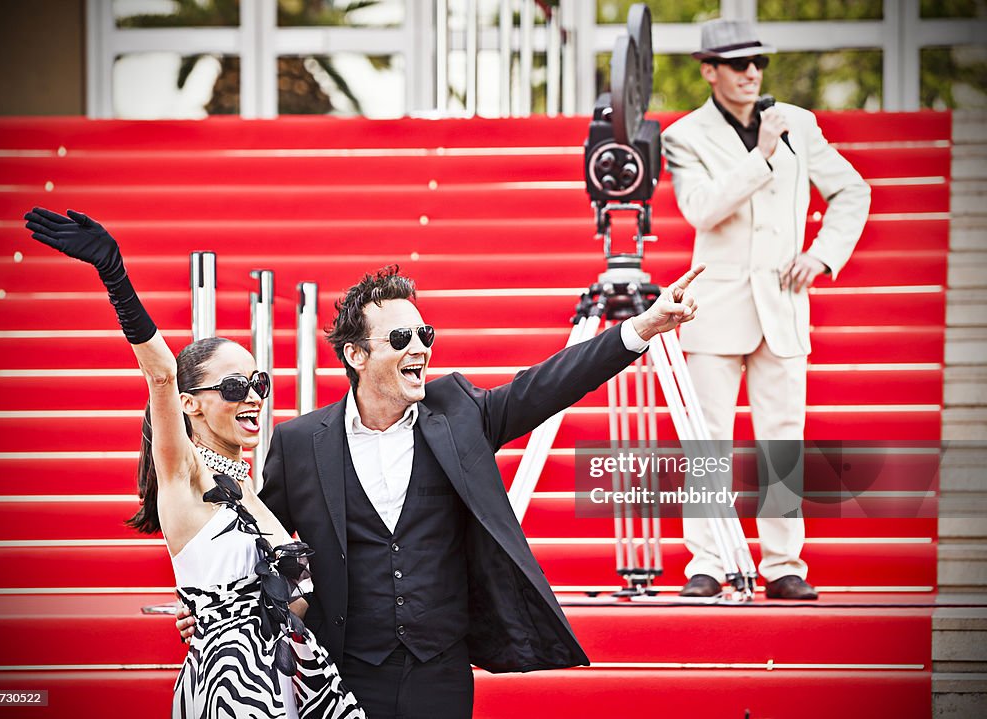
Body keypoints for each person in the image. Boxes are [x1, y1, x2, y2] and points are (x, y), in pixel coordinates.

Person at [178, 263, 704, 718]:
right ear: (357, 355)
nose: (421, 349)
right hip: (344, 673)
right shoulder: (299, 443)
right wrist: (212, 607)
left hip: (441, 670)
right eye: (401, 339)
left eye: (425, 334)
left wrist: (642, 327)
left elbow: (546, 386)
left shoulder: (459, 413)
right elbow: (252, 541)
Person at [23, 207, 366, 719]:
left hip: (293, 677)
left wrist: (219, 612)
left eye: (259, 383)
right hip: (234, 687)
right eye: (232, 387)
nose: (252, 396)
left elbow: (292, 600)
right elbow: (162, 372)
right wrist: (115, 275)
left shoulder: (251, 488)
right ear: (191, 404)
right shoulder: (184, 476)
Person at [661, 18, 871, 600]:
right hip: (716, 308)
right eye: (737, 63)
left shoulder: (800, 123)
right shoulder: (685, 136)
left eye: (759, 62)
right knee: (707, 444)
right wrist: (762, 155)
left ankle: (784, 566)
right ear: (709, 70)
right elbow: (700, 210)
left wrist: (823, 255)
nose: (752, 73)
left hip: (783, 303)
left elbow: (853, 191)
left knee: (783, 441)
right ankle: (706, 563)